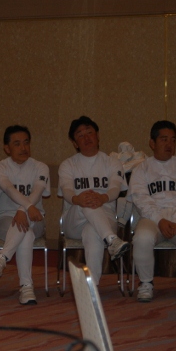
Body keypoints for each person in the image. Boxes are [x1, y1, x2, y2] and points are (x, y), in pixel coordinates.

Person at [129, 120, 176, 302]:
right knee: (142, 238)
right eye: (164, 139)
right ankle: (146, 283)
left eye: (173, 140)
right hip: (152, 217)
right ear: (152, 143)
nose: (169, 144)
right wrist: (160, 219)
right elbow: (140, 199)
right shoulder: (141, 169)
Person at [58, 116, 130, 286]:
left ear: (97, 135)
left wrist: (102, 198)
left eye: (89, 132)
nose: (86, 137)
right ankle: (112, 240)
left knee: (92, 232)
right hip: (74, 220)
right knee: (87, 201)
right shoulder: (68, 165)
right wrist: (78, 199)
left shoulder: (112, 162)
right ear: (75, 143)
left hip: (105, 218)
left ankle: (92, 287)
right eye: (80, 135)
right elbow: (67, 191)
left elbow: (115, 189)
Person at [0, 125, 50, 305]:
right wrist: (27, 207)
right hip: (5, 220)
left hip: (35, 219)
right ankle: (26, 287)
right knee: (25, 232)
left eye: (26, 143)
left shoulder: (41, 167)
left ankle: (2, 258)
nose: (23, 148)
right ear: (7, 148)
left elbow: (37, 192)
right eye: (17, 144)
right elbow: (9, 188)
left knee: (26, 228)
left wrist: (23, 211)